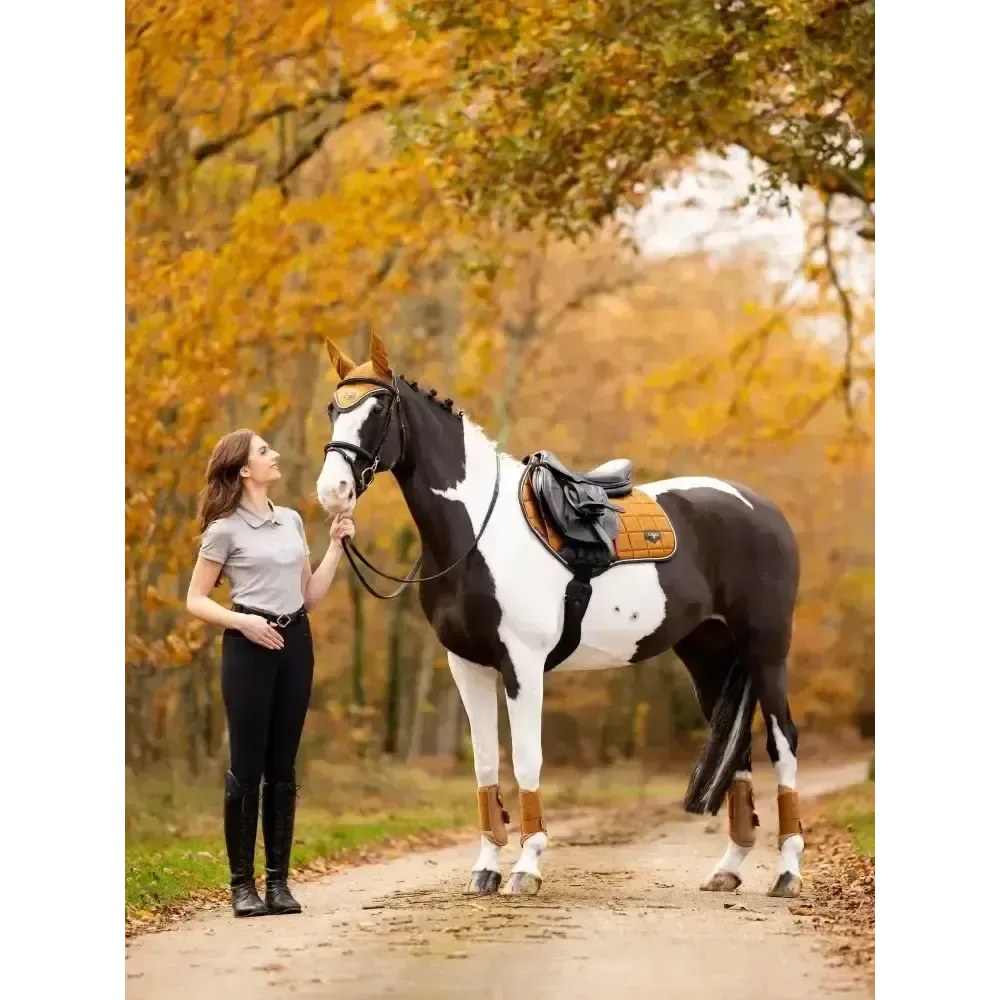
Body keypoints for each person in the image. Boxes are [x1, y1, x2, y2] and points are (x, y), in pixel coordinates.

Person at [185, 428, 355, 917]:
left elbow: (310, 598)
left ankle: (279, 883)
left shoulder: (293, 522)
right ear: (243, 469)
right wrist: (244, 622)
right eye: (264, 451)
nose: (274, 455)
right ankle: (243, 886)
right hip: (247, 648)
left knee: (284, 765)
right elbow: (195, 599)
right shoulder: (223, 530)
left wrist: (336, 548)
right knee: (247, 765)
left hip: (296, 644)